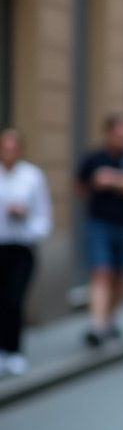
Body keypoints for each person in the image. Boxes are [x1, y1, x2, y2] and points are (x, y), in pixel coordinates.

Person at [76, 114, 123, 346]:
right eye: (118, 133)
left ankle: (109, 320)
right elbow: (80, 184)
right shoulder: (94, 157)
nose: (122, 138)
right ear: (108, 133)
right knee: (101, 271)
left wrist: (112, 180)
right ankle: (97, 325)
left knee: (119, 275)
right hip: (99, 223)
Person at [0, 129, 52, 376]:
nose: (8, 152)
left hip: (21, 249)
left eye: (12, 147)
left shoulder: (32, 177)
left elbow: (44, 217)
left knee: (14, 299)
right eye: (4, 147)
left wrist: (26, 220)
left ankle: (15, 350)